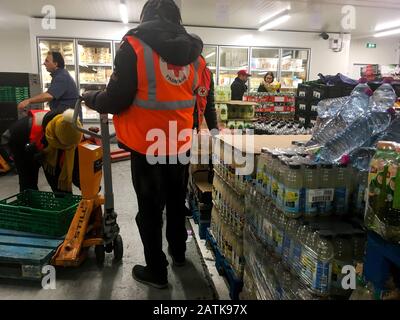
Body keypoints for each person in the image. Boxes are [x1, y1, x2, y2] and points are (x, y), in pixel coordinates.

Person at [82, 0, 206, 289]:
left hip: (146, 144)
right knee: (176, 203)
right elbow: (196, 100)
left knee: (150, 211)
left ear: (146, 17)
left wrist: (90, 97)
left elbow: (116, 99)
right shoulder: (196, 55)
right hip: (180, 143)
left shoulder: (134, 47)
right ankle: (178, 254)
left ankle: (157, 271)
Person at [2, 109, 82, 193]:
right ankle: (30, 203)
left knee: (58, 183)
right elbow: (4, 142)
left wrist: (83, 185)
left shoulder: (74, 130)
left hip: (47, 150)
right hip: (23, 149)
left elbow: (75, 165)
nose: (69, 148)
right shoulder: (21, 128)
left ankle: (65, 203)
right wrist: (13, 163)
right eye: (65, 146)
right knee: (28, 184)